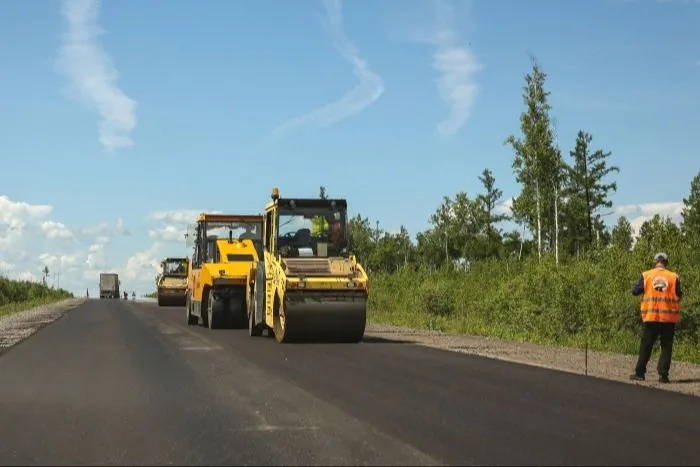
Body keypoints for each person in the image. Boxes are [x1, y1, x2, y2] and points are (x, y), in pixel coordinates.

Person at [630, 252, 682, 384]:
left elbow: (635, 291)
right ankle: (663, 376)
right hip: (668, 318)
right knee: (666, 347)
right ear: (666, 263)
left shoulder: (647, 275)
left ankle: (640, 373)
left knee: (646, 345)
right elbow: (679, 294)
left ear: (655, 262)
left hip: (651, 316)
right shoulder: (673, 277)